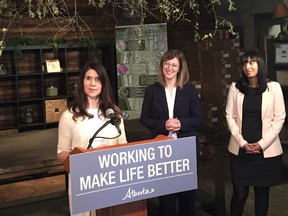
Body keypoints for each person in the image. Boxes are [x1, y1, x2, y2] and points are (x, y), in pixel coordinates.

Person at [57, 61, 127, 216]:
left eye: (97, 79)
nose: (93, 83)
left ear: (103, 84)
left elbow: (123, 147)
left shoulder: (114, 114)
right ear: (82, 82)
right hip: (83, 182)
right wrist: (85, 158)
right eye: (88, 78)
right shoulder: (69, 116)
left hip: (110, 179)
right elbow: (62, 154)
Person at [140, 49, 203, 216]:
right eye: (166, 64)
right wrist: (163, 125)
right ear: (161, 66)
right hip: (162, 151)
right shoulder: (152, 90)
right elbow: (144, 119)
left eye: (174, 65)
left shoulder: (188, 90)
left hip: (185, 150)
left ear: (180, 68)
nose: (169, 68)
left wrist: (181, 123)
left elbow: (198, 118)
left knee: (187, 198)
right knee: (166, 198)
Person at [225, 50, 286, 216]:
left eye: (252, 62)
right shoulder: (235, 88)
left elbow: (279, 118)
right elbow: (230, 116)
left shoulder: (273, 88)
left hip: (266, 152)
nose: (248, 67)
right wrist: (243, 143)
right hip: (240, 150)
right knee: (239, 193)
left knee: (262, 193)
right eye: (244, 63)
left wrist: (261, 144)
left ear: (260, 64)